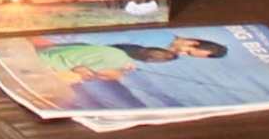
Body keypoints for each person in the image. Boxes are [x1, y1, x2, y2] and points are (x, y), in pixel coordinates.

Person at [49, 35, 228, 111]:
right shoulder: (155, 37)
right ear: (193, 41)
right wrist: (115, 63)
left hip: (92, 56)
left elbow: (120, 52)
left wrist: (123, 63)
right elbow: (98, 45)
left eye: (189, 56)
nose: (182, 54)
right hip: (75, 53)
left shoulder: (163, 51)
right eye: (188, 51)